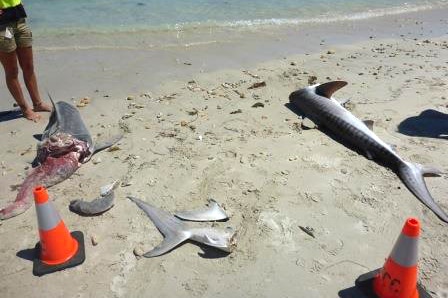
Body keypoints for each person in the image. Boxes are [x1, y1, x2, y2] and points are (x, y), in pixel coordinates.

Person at [0, 0, 51, 121]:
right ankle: (24, 108)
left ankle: (38, 104)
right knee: (12, 71)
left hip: (20, 20)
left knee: (28, 66)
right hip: (2, 27)